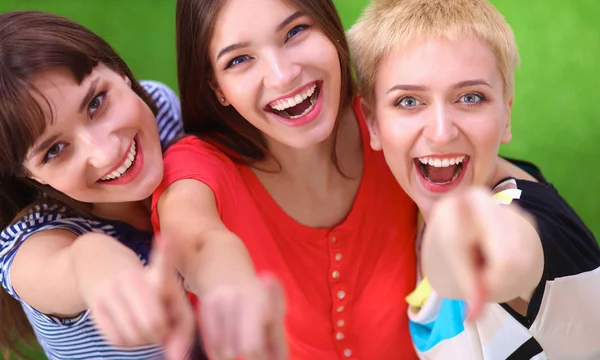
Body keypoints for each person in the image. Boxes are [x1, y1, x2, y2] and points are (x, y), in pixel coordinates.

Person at [151, 0, 420, 358]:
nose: (282, 75)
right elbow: (197, 237)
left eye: (295, 31)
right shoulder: (198, 166)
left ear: (330, 27)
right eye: (239, 59)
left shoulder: (393, 124)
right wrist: (227, 282)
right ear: (217, 88)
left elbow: (495, 179)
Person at [348, 0, 600, 358]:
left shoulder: (534, 223)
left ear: (506, 113)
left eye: (470, 97)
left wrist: (479, 251)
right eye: (408, 101)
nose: (440, 132)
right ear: (372, 123)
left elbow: (515, 251)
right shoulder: (424, 196)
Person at [0, 11, 197, 360]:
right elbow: (64, 266)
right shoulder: (28, 246)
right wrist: (98, 263)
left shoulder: (162, 114)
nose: (105, 153)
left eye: (96, 102)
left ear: (119, 73)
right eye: (55, 150)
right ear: (30, 176)